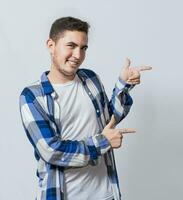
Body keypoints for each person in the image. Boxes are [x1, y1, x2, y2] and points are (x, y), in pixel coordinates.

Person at [19, 16, 152, 200]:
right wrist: (103, 142)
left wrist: (123, 85)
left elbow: (109, 120)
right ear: (51, 45)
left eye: (83, 48)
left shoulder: (91, 79)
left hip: (105, 194)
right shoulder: (32, 96)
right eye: (71, 46)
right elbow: (51, 150)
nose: (78, 55)